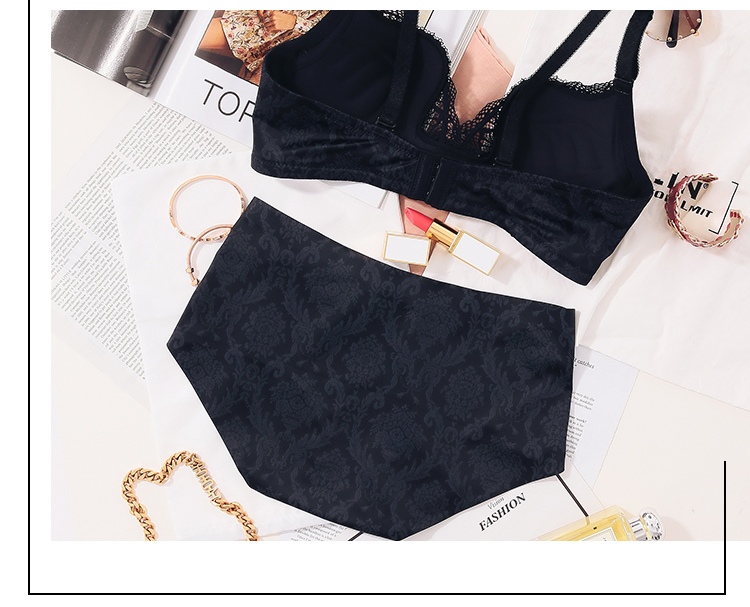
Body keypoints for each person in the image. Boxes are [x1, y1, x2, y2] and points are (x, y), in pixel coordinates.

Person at [200, 10, 327, 84]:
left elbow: (333, 38)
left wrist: (295, 22)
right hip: (262, 20)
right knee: (196, 34)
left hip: (292, 48)